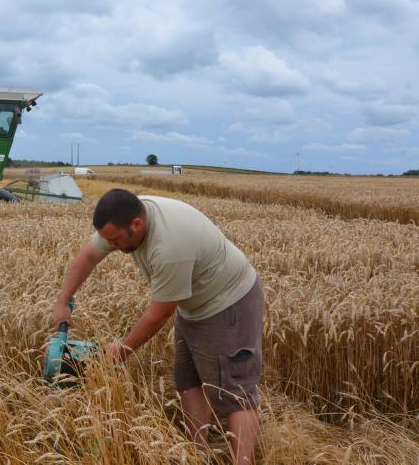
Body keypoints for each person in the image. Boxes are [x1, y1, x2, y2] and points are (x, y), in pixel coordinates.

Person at [51, 188, 264, 465]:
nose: (111, 246)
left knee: (234, 392)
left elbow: (159, 315)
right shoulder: (126, 218)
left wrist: (121, 351)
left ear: (136, 225)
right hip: (195, 304)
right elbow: (89, 256)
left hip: (230, 304)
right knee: (188, 379)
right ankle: (196, 454)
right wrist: (62, 301)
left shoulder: (170, 247)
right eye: (108, 240)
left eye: (115, 240)